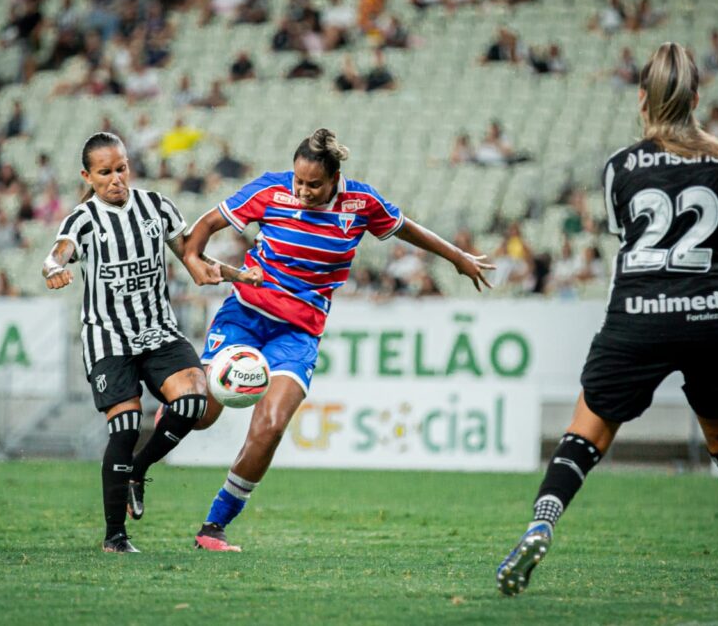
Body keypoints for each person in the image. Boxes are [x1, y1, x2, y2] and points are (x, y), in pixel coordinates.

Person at [496, 42, 718, 598]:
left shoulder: (619, 167)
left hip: (637, 314)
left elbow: (627, 240)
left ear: (642, 101)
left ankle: (542, 521)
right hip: (710, 316)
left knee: (587, 430)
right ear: (697, 99)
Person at [174, 128, 495, 552]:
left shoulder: (361, 203)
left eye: (314, 184)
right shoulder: (271, 190)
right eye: (299, 182)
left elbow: (408, 229)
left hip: (299, 331)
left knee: (270, 427)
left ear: (335, 178)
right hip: (245, 316)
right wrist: (195, 258)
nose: (304, 191)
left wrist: (458, 257)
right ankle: (141, 461)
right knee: (202, 414)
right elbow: (208, 224)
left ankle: (213, 527)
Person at [41, 132, 260, 553]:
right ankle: (115, 538)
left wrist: (236, 274)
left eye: (120, 168)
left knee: (194, 401)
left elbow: (193, 262)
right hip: (109, 338)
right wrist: (52, 267)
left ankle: (137, 471)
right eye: (104, 172)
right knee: (124, 427)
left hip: (158, 331)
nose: (115, 179)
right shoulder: (83, 219)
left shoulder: (155, 206)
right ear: (87, 175)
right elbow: (59, 252)